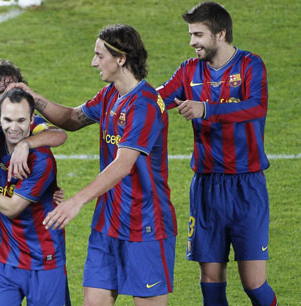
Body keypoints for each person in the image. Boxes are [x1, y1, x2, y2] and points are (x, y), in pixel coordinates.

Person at [9, 24, 177, 305]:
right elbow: (73, 119)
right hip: (108, 222)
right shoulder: (110, 94)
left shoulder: (144, 104)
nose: (93, 62)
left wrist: (76, 201)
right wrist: (32, 97)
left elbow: (124, 164)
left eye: (100, 55)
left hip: (146, 226)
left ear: (121, 59)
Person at [156, 2, 277, 305]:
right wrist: (125, 97)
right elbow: (157, 99)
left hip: (246, 186)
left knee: (253, 283)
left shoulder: (250, 65)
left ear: (220, 34)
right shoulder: (188, 71)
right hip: (207, 187)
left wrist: (206, 108)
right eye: (191, 34)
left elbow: (256, 106)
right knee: (210, 278)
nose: (192, 41)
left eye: (198, 34)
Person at [0, 88, 69, 305]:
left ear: (32, 120)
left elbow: (12, 208)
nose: (13, 128)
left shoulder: (41, 160)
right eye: (7, 120)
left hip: (42, 260)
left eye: (21, 120)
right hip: (4, 260)